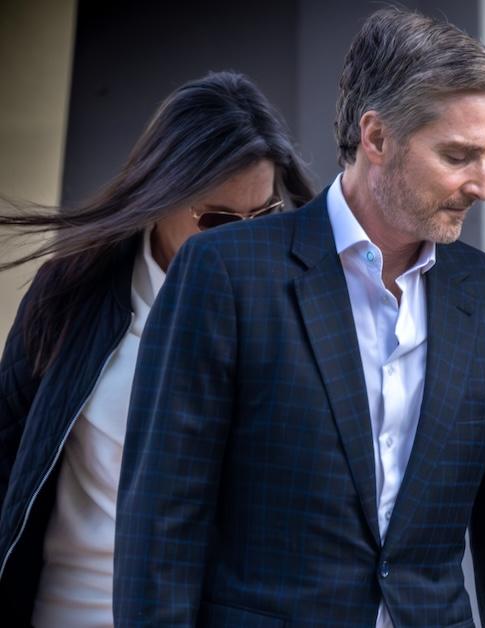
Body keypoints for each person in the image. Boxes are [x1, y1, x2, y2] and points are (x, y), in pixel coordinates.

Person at [112, 8, 485, 627]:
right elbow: (162, 522)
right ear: (376, 138)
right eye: (459, 155)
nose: (482, 185)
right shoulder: (225, 273)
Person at [0, 71, 314, 626]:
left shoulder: (295, 312)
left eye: (262, 217)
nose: (241, 243)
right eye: (217, 221)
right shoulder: (72, 293)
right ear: (159, 197)